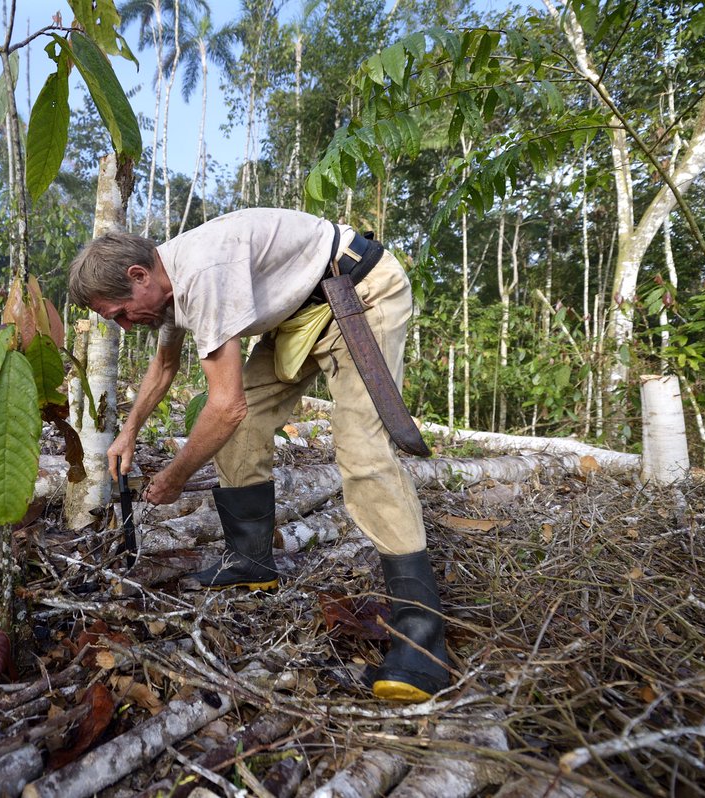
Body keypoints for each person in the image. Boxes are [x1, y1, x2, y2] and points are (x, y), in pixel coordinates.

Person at [67, 207, 450, 702]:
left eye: (119, 313)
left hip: (358, 292)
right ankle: (250, 562)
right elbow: (165, 365)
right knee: (245, 430)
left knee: (362, 450)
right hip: (303, 312)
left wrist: (177, 476)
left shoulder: (202, 274)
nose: (126, 323)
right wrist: (128, 432)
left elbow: (224, 406)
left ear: (138, 276)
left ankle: (421, 634)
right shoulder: (170, 283)